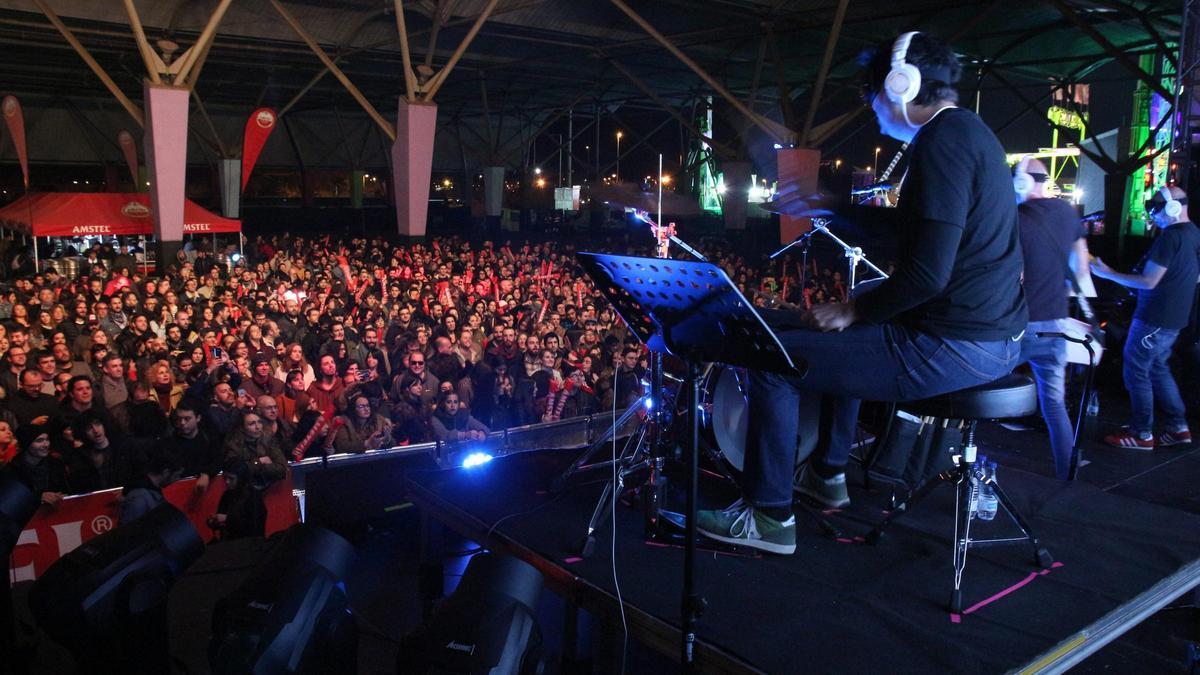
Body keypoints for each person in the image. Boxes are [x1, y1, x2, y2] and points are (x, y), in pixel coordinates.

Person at [697, 32, 1028, 554]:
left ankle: (769, 517)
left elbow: (926, 277)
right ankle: (827, 474)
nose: (872, 108)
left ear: (901, 84)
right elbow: (911, 229)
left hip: (955, 344)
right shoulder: (967, 133)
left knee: (767, 359)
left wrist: (853, 311)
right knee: (825, 318)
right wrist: (828, 205)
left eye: (873, 93)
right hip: (985, 335)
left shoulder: (943, 143)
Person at [1091, 185, 1199, 449]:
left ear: (1174, 208)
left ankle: (1142, 434)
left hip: (1154, 318)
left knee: (1136, 370)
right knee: (1158, 368)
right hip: (1173, 319)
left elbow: (1148, 281)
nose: (1153, 216)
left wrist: (1106, 272)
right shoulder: (1193, 233)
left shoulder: (1170, 238)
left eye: (1156, 209)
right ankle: (1178, 428)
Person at [1013, 157, 1095, 478]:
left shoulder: (1015, 218)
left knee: (972, 386)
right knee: (1054, 406)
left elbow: (1013, 276)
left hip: (1020, 328)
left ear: (1024, 182)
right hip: (1057, 327)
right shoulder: (1067, 213)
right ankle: (1067, 476)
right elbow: (1082, 269)